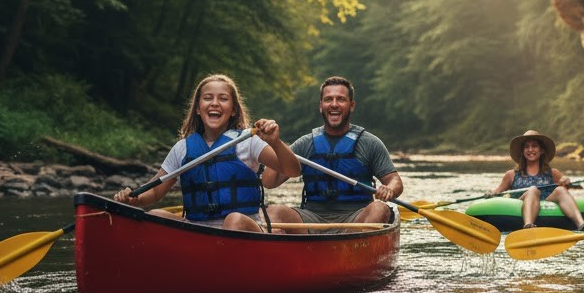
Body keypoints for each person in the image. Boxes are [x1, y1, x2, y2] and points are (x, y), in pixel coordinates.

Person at [113, 73, 301, 232]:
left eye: (223, 99)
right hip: (197, 229)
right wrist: (134, 199)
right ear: (197, 108)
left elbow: (292, 170)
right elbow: (154, 192)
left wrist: (275, 143)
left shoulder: (248, 141)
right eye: (208, 98)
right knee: (154, 216)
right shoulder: (183, 148)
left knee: (233, 220)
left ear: (233, 110)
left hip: (243, 228)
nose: (215, 103)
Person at [262, 75, 403, 229]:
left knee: (379, 208)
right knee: (272, 212)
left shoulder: (369, 143)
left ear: (352, 105)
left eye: (340, 99)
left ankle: (350, 245)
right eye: (328, 99)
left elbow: (394, 180)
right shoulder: (305, 144)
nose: (334, 104)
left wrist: (389, 189)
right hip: (312, 217)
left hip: (357, 217)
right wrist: (274, 144)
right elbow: (269, 182)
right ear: (321, 106)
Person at [492, 130, 584, 232]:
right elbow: (497, 193)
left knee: (560, 190)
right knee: (533, 190)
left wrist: (566, 183)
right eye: (527, 147)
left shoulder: (553, 173)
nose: (530, 150)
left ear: (542, 150)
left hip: (547, 202)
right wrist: (491, 193)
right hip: (520, 205)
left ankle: (581, 223)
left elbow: (568, 187)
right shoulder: (511, 175)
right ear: (522, 151)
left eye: (534, 146)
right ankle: (528, 225)